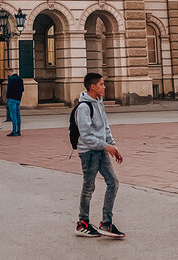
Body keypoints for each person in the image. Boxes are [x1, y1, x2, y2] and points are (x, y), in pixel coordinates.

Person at [74, 72, 124, 239]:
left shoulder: (98, 102)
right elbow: (86, 136)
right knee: (89, 187)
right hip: (88, 152)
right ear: (92, 86)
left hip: (101, 149)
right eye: (102, 84)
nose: (104, 86)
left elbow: (105, 127)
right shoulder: (83, 107)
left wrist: (113, 145)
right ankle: (82, 223)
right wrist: (106, 146)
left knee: (113, 182)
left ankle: (106, 222)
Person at [4, 69, 24, 136]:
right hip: (18, 99)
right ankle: (18, 130)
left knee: (13, 116)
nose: (8, 75)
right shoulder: (20, 79)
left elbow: (9, 89)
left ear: (9, 72)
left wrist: (7, 97)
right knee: (18, 115)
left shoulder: (11, 79)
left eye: (8, 74)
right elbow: (22, 89)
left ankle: (14, 131)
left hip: (12, 99)